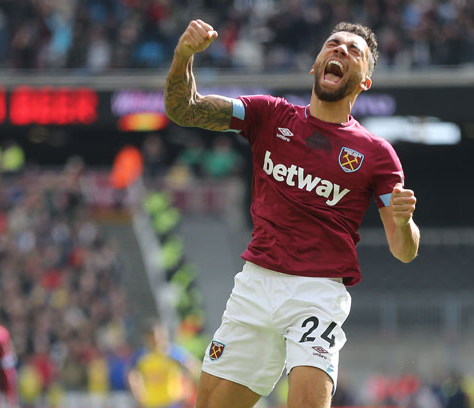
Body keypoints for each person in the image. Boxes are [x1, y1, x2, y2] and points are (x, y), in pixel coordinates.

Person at [164, 19, 420, 408]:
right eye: (333, 44)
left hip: (317, 294)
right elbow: (185, 110)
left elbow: (404, 250)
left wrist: (404, 222)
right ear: (315, 65)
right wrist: (184, 54)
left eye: (355, 51)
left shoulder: (376, 155)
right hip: (255, 285)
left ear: (365, 80)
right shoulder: (270, 115)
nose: (340, 50)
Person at [128, 320, 199, 408]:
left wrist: (187, 390)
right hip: (151, 404)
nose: (156, 340)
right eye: (152, 337)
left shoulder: (172, 352)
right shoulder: (142, 355)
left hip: (173, 403)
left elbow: (193, 366)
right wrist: (137, 393)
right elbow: (131, 374)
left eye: (158, 336)